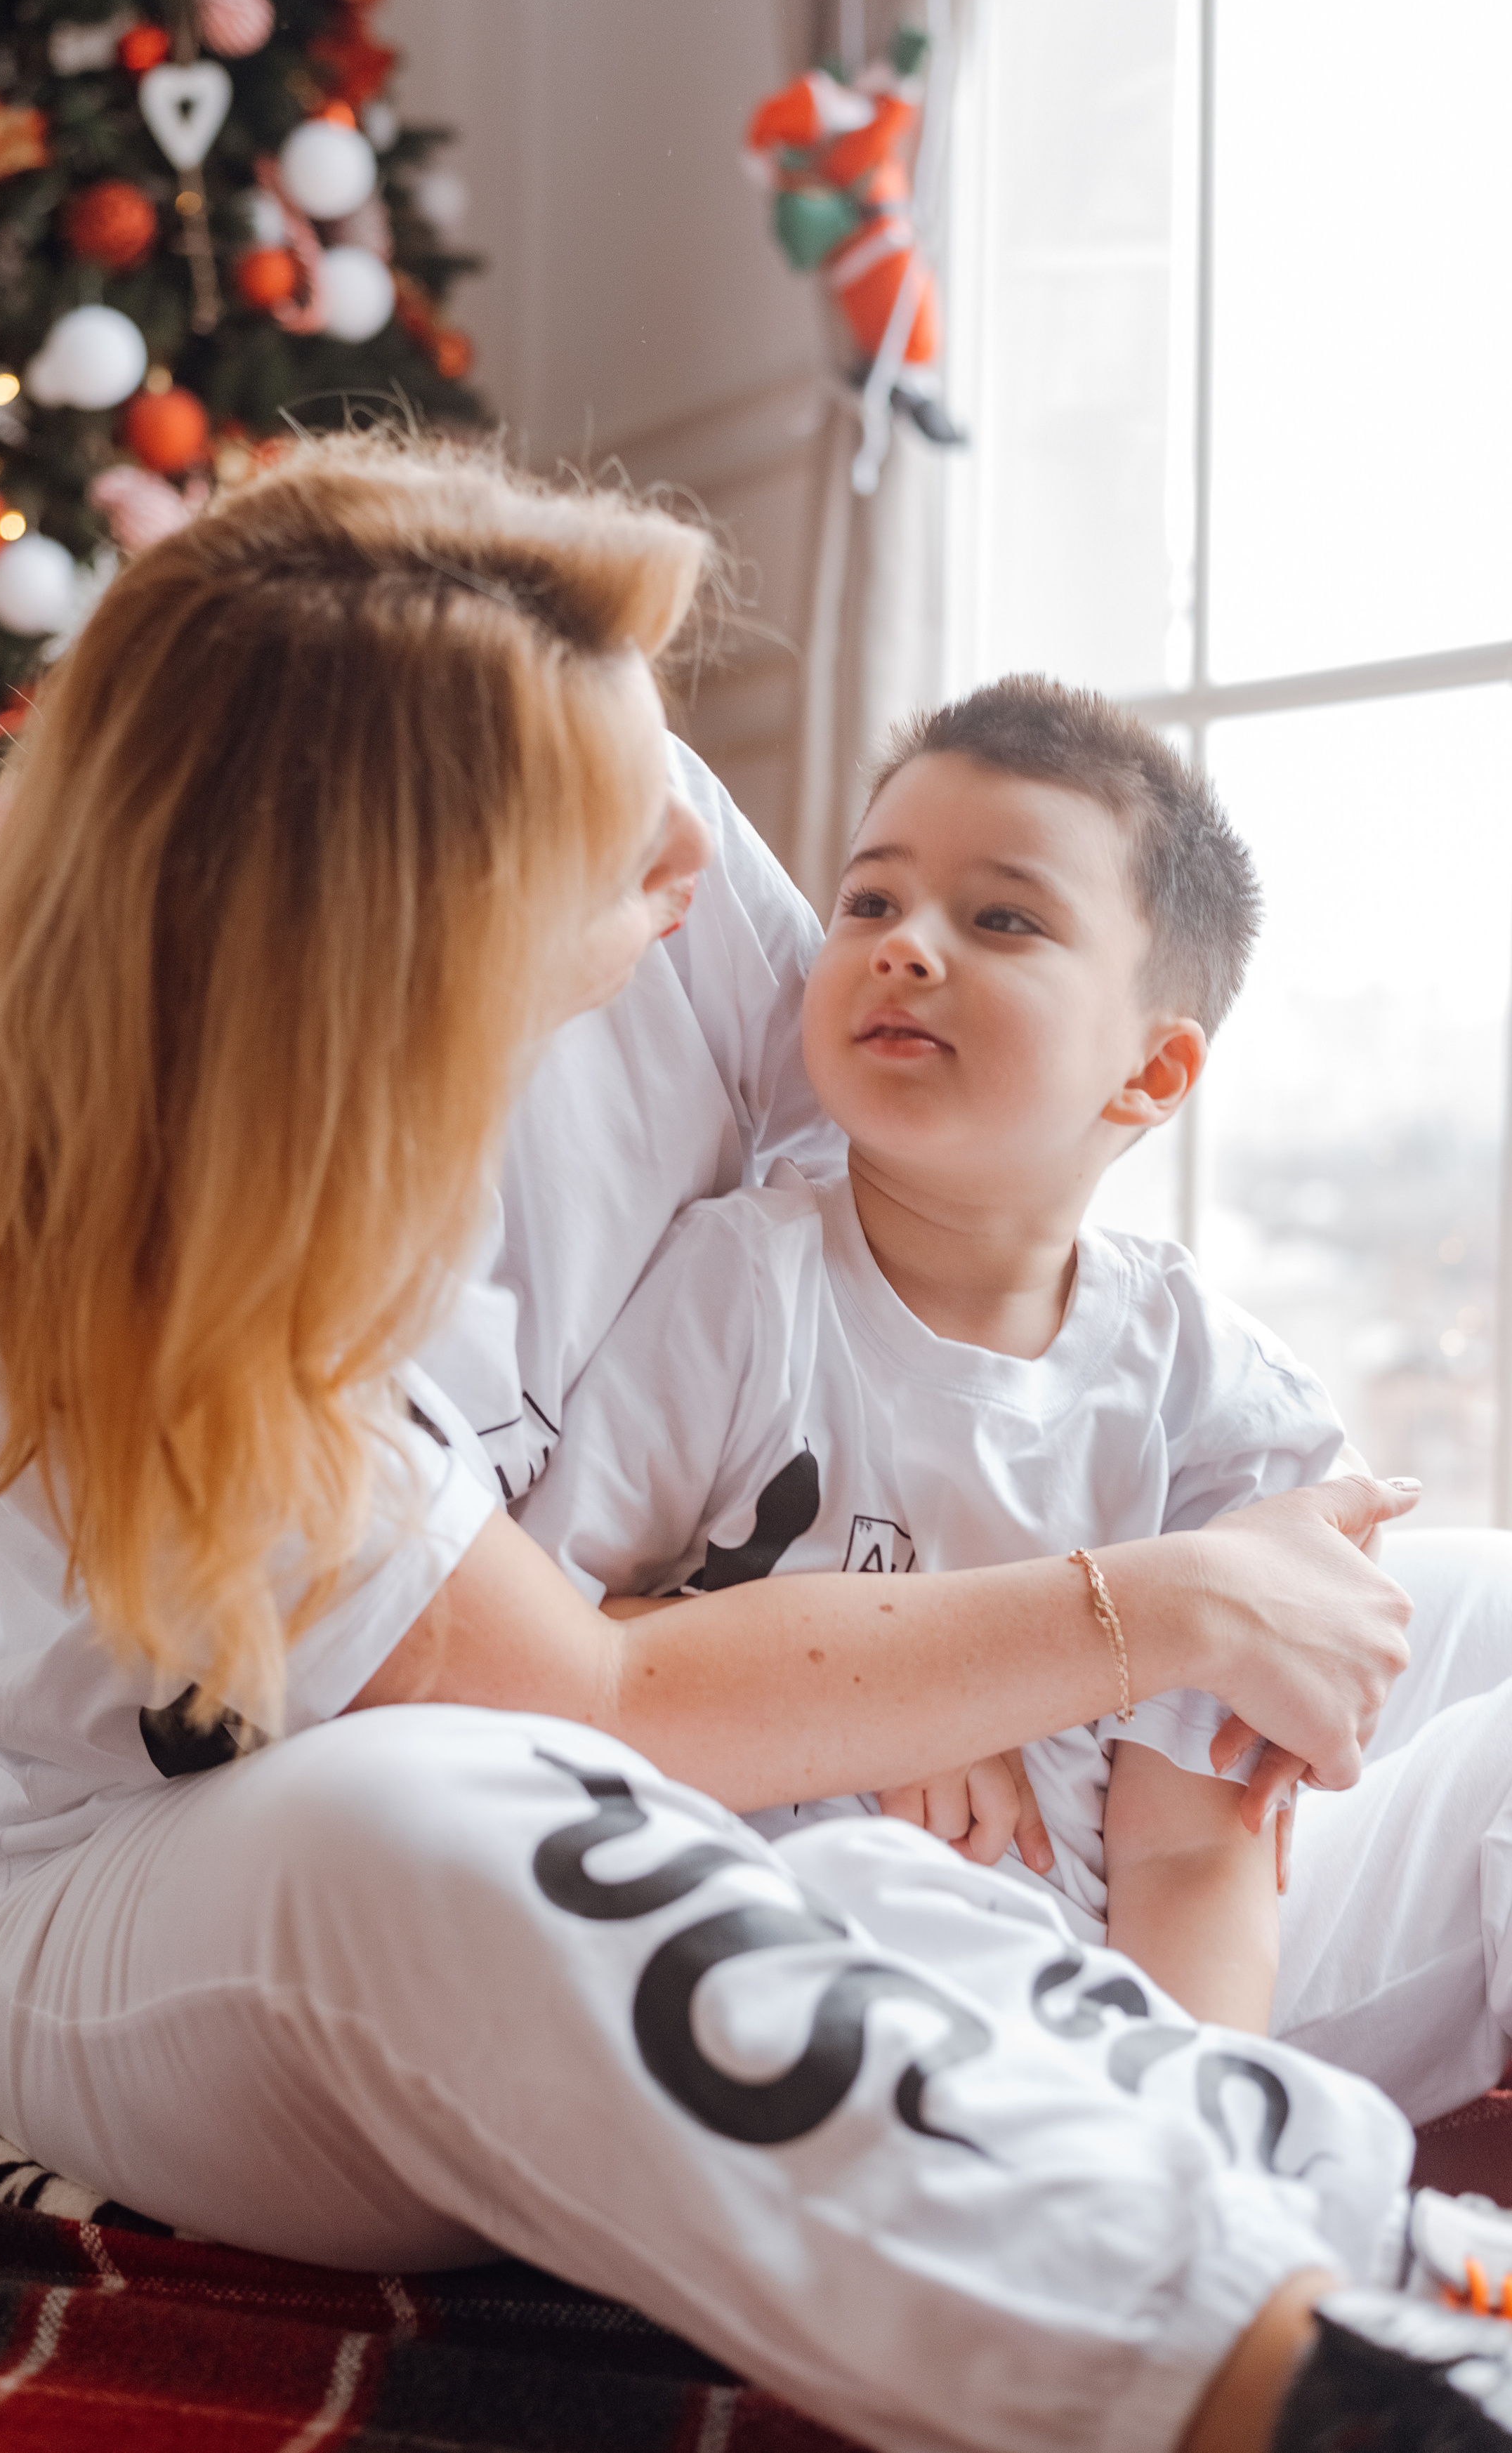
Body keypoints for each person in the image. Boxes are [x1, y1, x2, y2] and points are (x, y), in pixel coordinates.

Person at [0, 436, 1512, 2453]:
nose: (711, 869)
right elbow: (580, 1695)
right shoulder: (53, 1174)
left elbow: (891, 1265)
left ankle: (1168, 2107)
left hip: (786, 1776)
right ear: (399, 908)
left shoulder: (634, 811)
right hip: (217, 1883)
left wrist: (1049, 1609)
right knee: (441, 1807)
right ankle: (1304, 2369)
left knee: (1456, 1603)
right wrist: (1079, 1625)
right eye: (627, 846)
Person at [520, 680, 1346, 2032]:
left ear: (1150, 1072)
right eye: (869, 901)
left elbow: (1195, 1851)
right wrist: (898, 1701)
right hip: (813, 1950)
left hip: (1129, 1984)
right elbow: (541, 1657)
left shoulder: (1212, 1390)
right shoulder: (740, 1287)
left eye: (1002, 917)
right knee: (873, 1880)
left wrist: (1191, 2102)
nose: (906, 945)